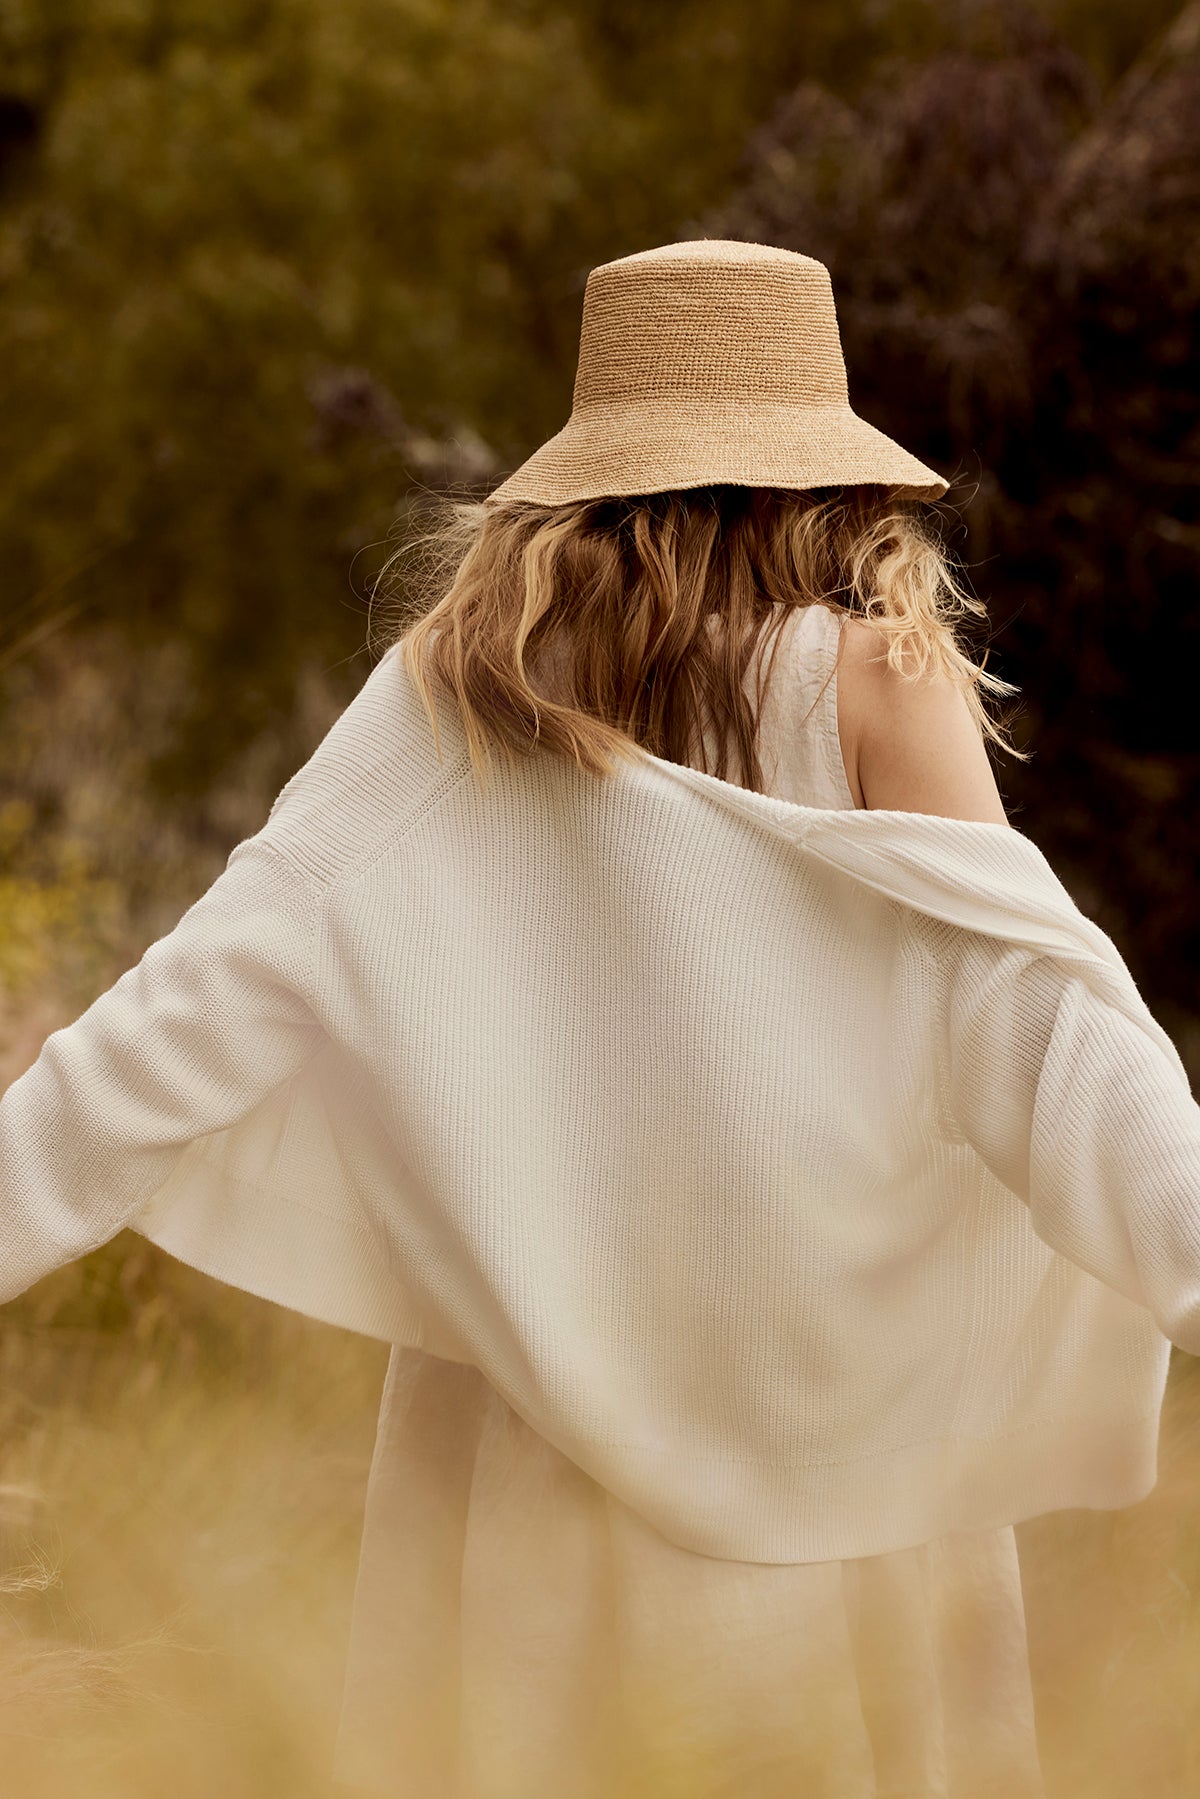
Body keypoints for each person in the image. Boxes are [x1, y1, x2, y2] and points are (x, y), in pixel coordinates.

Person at [3, 239, 1199, 1799]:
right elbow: (1051, 1053)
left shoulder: (456, 695)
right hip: (830, 1480)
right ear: (817, 478)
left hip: (522, 1480)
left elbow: (172, 1028)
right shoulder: (881, 683)